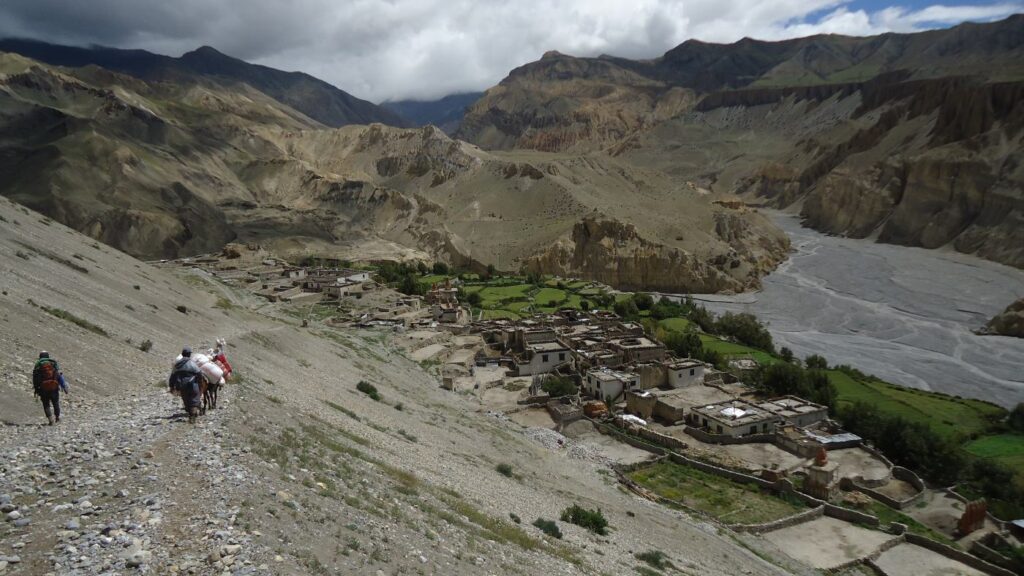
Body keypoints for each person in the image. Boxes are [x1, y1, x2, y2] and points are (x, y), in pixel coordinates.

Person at [168, 347, 204, 423]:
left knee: (186, 400)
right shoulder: (192, 363)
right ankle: (192, 416)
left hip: (182, 386)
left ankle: (190, 412)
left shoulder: (177, 365)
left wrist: (171, 387)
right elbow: (199, 374)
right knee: (194, 399)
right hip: (192, 385)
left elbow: (172, 376)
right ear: (189, 354)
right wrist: (200, 383)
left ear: (182, 354)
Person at [32, 351, 68, 425]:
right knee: (55, 403)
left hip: (43, 389)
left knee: (46, 404)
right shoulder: (53, 363)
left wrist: (36, 389)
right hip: (54, 387)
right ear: (47, 356)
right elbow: (59, 375)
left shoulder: (38, 365)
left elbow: (35, 378)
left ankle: (51, 420)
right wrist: (64, 386)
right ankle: (57, 417)